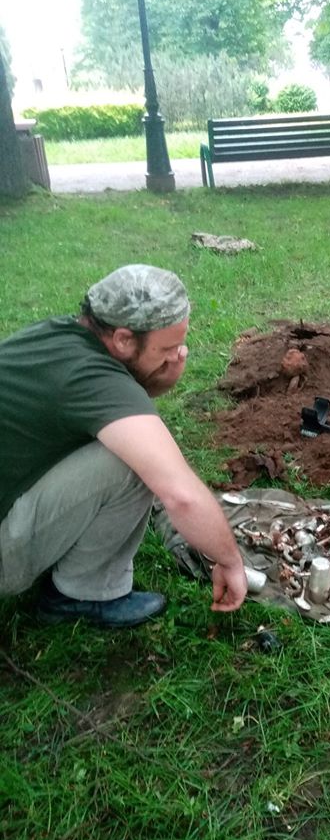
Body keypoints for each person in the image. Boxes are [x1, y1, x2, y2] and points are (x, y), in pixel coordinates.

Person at [0, 264, 248, 627]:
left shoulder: (58, 336)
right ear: (123, 340)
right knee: (132, 464)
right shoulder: (89, 379)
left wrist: (158, 380)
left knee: (127, 448)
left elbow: (114, 407)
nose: (178, 355)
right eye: (168, 347)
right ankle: (81, 595)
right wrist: (230, 561)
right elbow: (180, 494)